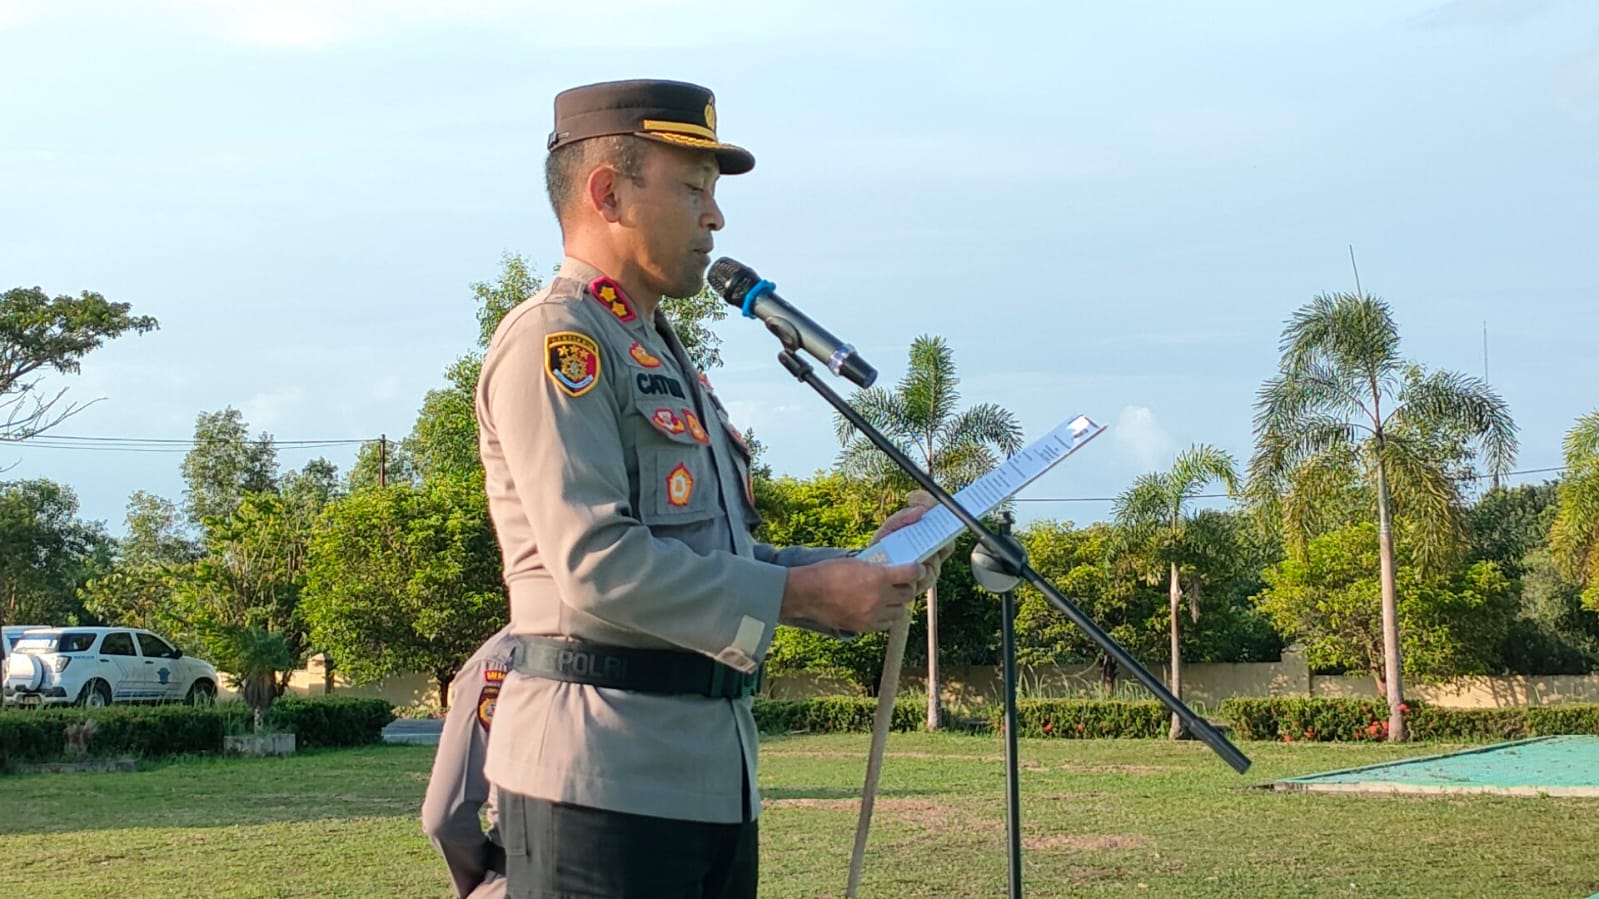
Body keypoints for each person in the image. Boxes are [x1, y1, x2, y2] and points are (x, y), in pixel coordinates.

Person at [474, 78, 952, 898]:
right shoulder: (560, 341)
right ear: (608, 192)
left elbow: (720, 553)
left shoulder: (658, 353)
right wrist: (799, 596)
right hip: (597, 781)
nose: (715, 217)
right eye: (692, 188)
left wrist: (868, 562)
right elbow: (597, 562)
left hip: (707, 777)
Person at [421, 626, 519, 899]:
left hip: (520, 875)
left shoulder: (503, 659)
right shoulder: (640, 638)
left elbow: (445, 817)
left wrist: (486, 883)